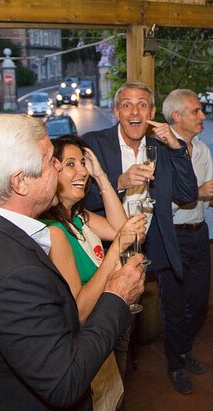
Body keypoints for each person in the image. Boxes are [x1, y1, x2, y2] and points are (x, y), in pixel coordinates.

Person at [0, 114, 145, 411]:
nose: (58, 166)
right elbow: (65, 381)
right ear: (20, 182)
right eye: (49, 161)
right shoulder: (16, 275)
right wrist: (117, 296)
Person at [82, 82, 198, 393]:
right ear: (116, 111)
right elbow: (76, 200)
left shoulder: (159, 146)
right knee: (117, 318)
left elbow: (188, 193)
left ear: (151, 112)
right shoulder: (94, 144)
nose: (135, 111)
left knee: (172, 307)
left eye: (142, 104)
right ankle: (115, 384)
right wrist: (120, 181)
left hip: (157, 239)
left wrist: (176, 147)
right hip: (113, 243)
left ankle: (176, 366)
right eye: (128, 105)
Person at [162, 89, 213, 393]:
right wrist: (198, 194)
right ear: (176, 117)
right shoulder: (160, 153)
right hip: (171, 238)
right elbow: (158, 206)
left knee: (199, 303)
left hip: (199, 233)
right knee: (174, 307)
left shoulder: (202, 150)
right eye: (196, 111)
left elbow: (207, 196)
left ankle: (184, 348)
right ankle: (175, 365)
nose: (203, 116)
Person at [40, 136, 147, 324]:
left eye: (83, 163)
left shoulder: (78, 216)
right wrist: (117, 246)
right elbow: (79, 312)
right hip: (88, 334)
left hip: (106, 320)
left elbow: (119, 230)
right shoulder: (52, 230)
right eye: (70, 164)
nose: (83, 171)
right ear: (52, 170)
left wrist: (100, 176)